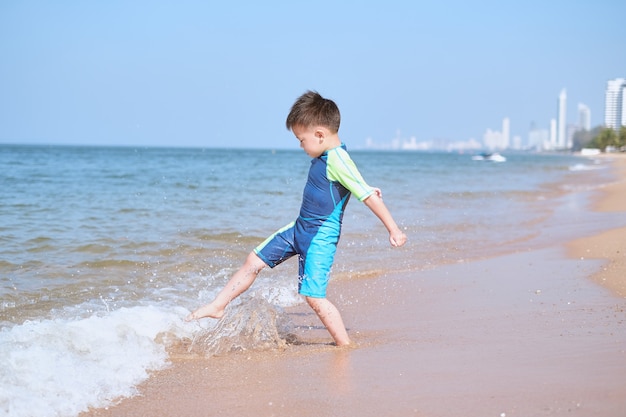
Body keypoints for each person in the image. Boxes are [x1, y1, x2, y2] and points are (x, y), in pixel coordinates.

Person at [186, 91, 407, 346]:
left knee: (313, 297)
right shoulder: (328, 155)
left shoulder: (337, 158)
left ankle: (344, 346)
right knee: (254, 261)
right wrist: (365, 186)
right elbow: (355, 183)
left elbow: (367, 196)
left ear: (320, 135)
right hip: (299, 229)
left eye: (302, 140)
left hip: (320, 237)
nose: (301, 146)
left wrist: (393, 229)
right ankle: (217, 306)